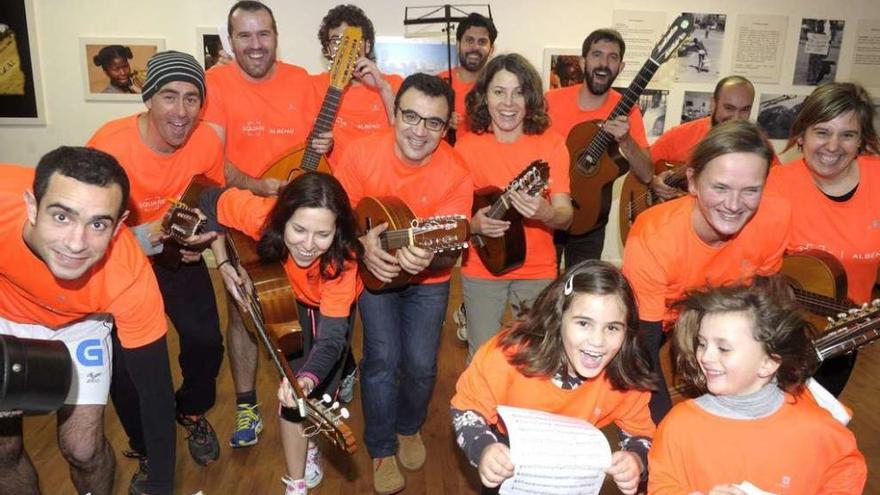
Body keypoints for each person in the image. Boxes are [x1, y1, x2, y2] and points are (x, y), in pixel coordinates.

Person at [0, 148, 175, 495]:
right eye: (62, 217)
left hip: (79, 325)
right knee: (3, 450)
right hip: (5, 314)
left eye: (98, 224)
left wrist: (161, 487)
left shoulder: (128, 277)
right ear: (32, 207)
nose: (76, 244)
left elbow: (155, 396)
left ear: (119, 225)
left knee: (83, 448)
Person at [334, 73, 473, 494]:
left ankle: (409, 426)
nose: (420, 130)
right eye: (411, 116)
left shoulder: (455, 171)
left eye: (433, 122)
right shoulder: (359, 155)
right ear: (394, 113)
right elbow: (336, 220)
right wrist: (362, 246)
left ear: (446, 126)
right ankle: (380, 447)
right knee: (382, 361)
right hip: (375, 279)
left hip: (428, 281)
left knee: (421, 364)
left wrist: (432, 255)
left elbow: (454, 242)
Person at [87, 51, 226, 470]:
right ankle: (146, 447)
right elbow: (86, 232)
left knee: (206, 342)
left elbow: (212, 200)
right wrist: (143, 238)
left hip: (179, 259)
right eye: (169, 96)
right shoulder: (108, 146)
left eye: (191, 98)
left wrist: (204, 238)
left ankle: (192, 411)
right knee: (127, 371)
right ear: (147, 98)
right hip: (120, 268)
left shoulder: (205, 139)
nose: (182, 111)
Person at [203, 0, 331, 449]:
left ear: (276, 36)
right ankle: (245, 403)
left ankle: (311, 391)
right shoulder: (215, 82)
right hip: (238, 214)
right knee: (242, 313)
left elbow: (322, 145)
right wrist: (261, 185)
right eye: (245, 36)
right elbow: (214, 162)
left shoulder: (301, 80)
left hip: (297, 220)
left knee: (309, 309)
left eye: (264, 35)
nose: (256, 45)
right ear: (230, 41)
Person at [201, 173, 362, 494]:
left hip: (327, 305)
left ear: (338, 231)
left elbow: (332, 338)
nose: (307, 245)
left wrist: (307, 379)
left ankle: (316, 429)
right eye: (298, 230)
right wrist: (222, 263)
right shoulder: (259, 214)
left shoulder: (344, 261)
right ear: (281, 218)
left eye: (322, 234)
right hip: (284, 295)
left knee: (310, 386)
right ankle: (296, 484)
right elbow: (208, 200)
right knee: (292, 395)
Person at [622, 120, 791, 425]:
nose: (734, 205)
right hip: (662, 327)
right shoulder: (653, 235)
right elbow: (643, 347)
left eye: (751, 190)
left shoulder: (776, 216)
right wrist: (666, 428)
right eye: (720, 187)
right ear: (692, 182)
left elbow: (765, 311)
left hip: (729, 323)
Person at [450, 260, 655, 494]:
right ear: (559, 317)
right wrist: (484, 448)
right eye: (584, 323)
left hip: (574, 461)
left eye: (612, 328)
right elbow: (467, 408)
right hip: (510, 450)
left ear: (626, 331)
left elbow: (641, 434)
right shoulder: (510, 354)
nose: (598, 341)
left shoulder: (624, 375)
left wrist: (636, 459)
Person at [649, 285, 867, 494]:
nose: (705, 357)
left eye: (723, 348)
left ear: (768, 363)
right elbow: (663, 484)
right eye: (702, 343)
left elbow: (846, 470)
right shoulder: (680, 425)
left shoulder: (814, 427)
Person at [764, 82, 880, 397]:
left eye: (847, 134)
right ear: (801, 135)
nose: (833, 146)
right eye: (822, 132)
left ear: (862, 141)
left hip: (846, 335)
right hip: (778, 335)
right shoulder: (774, 188)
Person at [456, 53, 572, 359]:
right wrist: (475, 225)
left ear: (530, 98)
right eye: (498, 92)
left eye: (518, 92)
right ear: (484, 97)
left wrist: (545, 213)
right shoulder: (466, 146)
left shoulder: (552, 145)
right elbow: (453, 215)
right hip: (481, 266)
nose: (508, 103)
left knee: (535, 357)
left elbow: (565, 215)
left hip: (537, 268)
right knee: (481, 356)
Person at [545, 28, 653, 266]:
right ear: (583, 61)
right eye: (596, 54)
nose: (604, 64)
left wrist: (626, 140)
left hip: (590, 218)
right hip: (547, 213)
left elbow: (646, 173)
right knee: (539, 292)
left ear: (621, 67)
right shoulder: (550, 101)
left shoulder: (628, 110)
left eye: (612, 57)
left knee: (582, 289)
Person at [312, 4, 402, 167]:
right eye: (335, 41)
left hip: (380, 178)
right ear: (327, 49)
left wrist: (383, 88)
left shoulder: (393, 84)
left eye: (351, 40)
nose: (343, 47)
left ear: (367, 46)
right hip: (334, 184)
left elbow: (407, 138)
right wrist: (325, 145)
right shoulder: (313, 86)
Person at [649, 76, 760, 200]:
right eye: (729, 108)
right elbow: (640, 168)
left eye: (745, 110)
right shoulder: (679, 134)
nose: (736, 117)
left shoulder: (758, 146)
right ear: (713, 104)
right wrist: (653, 182)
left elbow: (774, 187)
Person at [436, 12, 497, 137]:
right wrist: (440, 121)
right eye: (469, 40)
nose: (475, 47)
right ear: (458, 45)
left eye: (482, 42)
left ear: (491, 50)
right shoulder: (438, 83)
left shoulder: (497, 87)